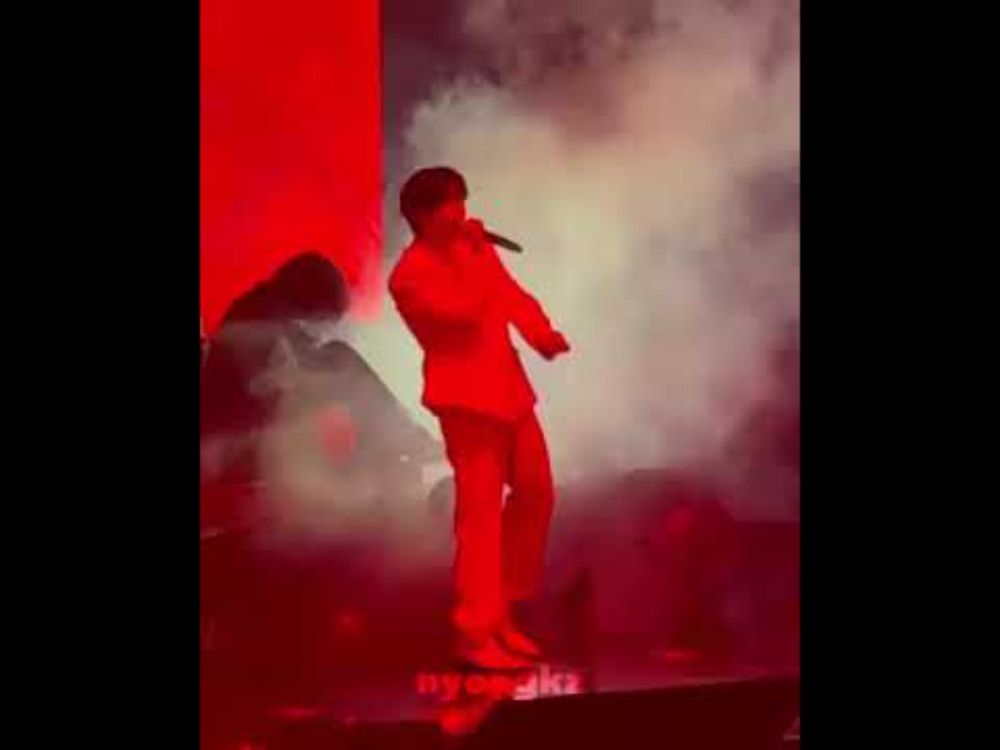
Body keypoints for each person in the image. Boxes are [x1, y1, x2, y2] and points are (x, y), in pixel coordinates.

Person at [388, 167, 571, 669]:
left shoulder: (475, 251)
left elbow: (511, 295)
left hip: (510, 392)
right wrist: (467, 254)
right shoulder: (409, 276)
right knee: (480, 518)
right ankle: (474, 631)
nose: (459, 213)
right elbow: (464, 313)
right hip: (466, 404)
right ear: (421, 215)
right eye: (447, 204)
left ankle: (503, 609)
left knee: (537, 493)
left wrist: (541, 333)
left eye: (461, 200)